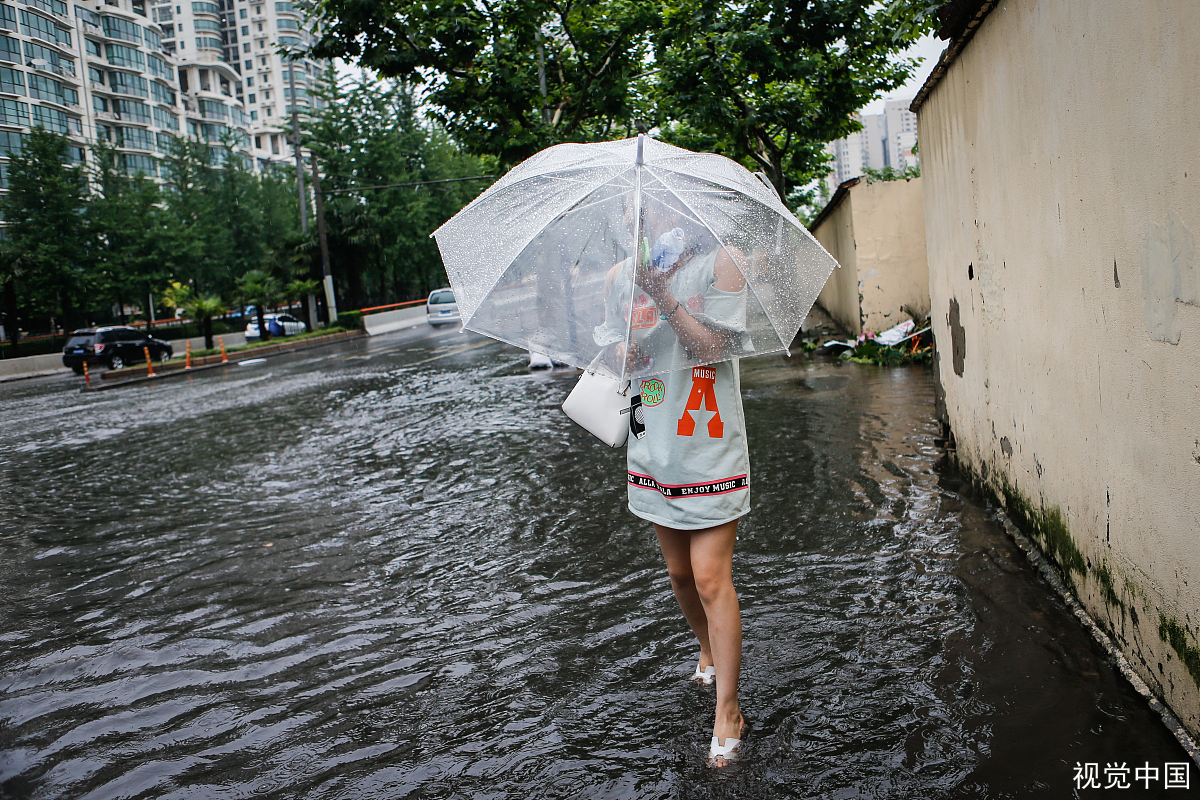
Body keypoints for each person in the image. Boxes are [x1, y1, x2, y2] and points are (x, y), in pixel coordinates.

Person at [594, 220, 751, 767]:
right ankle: (706, 647)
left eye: (667, 213)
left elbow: (715, 345)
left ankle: (728, 708)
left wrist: (663, 296)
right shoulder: (618, 277)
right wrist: (623, 355)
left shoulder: (723, 262)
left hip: (706, 444)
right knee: (680, 575)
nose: (656, 223)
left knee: (710, 576)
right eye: (645, 215)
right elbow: (610, 352)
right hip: (651, 444)